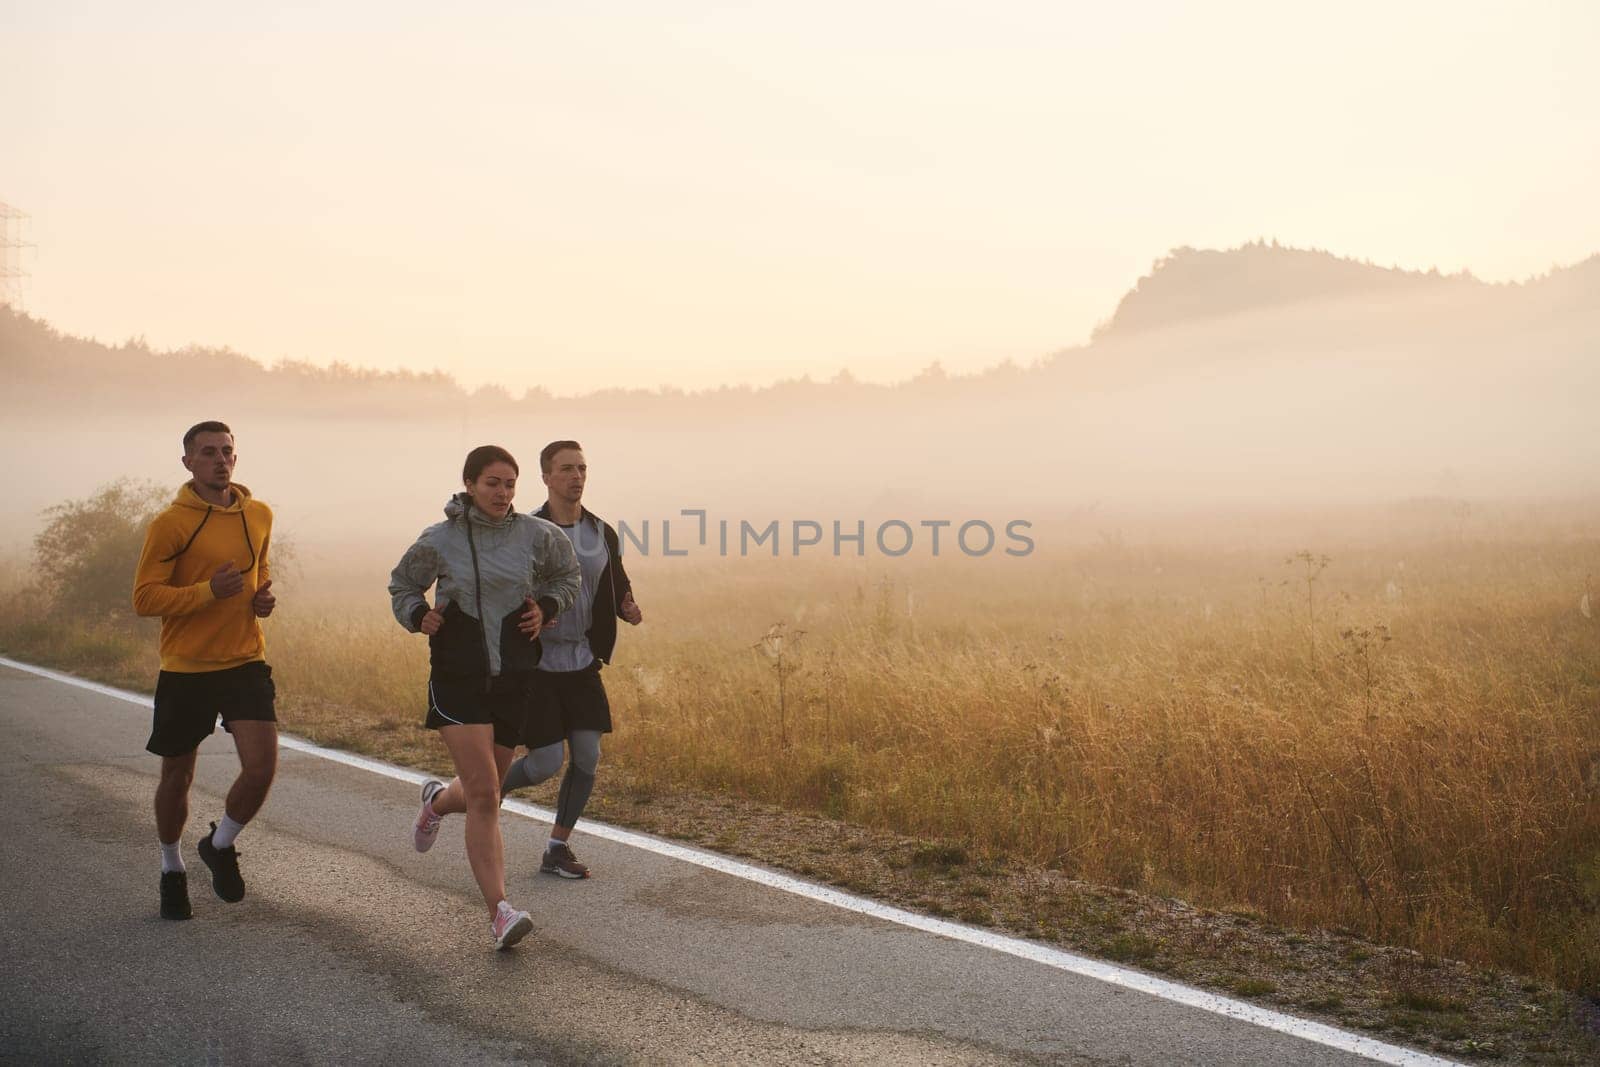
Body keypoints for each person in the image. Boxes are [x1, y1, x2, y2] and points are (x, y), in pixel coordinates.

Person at [389, 444, 580, 950]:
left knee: (486, 790)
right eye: (492, 483)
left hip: (515, 675)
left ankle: (434, 801)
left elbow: (568, 577)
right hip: (459, 675)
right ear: (470, 485)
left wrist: (546, 605)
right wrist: (417, 615)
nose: (502, 492)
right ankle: (500, 910)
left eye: (510, 483)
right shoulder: (441, 539)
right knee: (484, 794)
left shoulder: (539, 536)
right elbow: (403, 584)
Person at [133, 421, 279, 921]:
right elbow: (144, 598)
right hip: (186, 667)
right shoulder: (171, 524)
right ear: (188, 462)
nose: (220, 460)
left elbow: (259, 573)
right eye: (208, 452)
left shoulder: (259, 514)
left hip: (245, 660)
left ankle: (219, 844)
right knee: (178, 776)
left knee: (261, 769)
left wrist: (261, 600)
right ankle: (171, 868)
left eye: (227, 452)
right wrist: (205, 593)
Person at [500, 440, 642, 879]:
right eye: (565, 469)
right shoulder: (526, 530)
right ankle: (482, 790)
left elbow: (614, 581)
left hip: (582, 661)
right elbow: (505, 588)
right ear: (545, 477)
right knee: (544, 764)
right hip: (537, 664)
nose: (576, 477)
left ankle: (556, 848)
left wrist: (628, 605)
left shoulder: (601, 531)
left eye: (581, 468)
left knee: (587, 757)